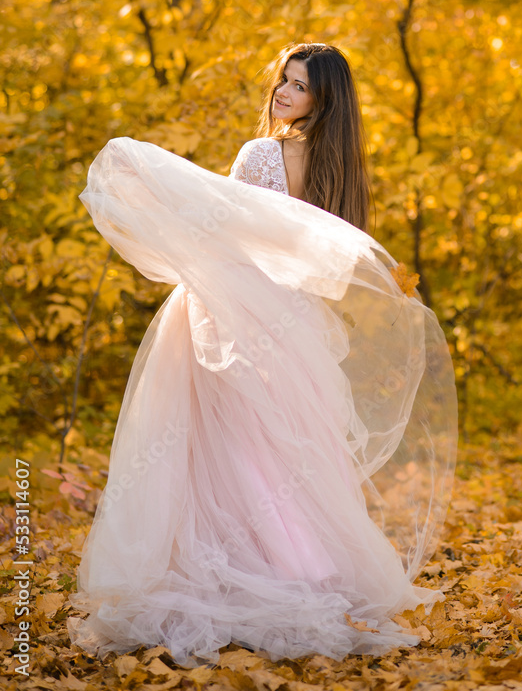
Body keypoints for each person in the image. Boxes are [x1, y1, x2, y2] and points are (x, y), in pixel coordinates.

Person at [67, 42, 457, 667]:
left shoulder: (260, 155)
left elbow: (217, 233)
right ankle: (307, 567)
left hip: (228, 309)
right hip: (292, 321)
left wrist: (157, 194)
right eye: (284, 78)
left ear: (321, 100)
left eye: (299, 86)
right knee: (279, 447)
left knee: (221, 445)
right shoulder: (340, 174)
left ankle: (239, 575)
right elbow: (318, 268)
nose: (283, 91)